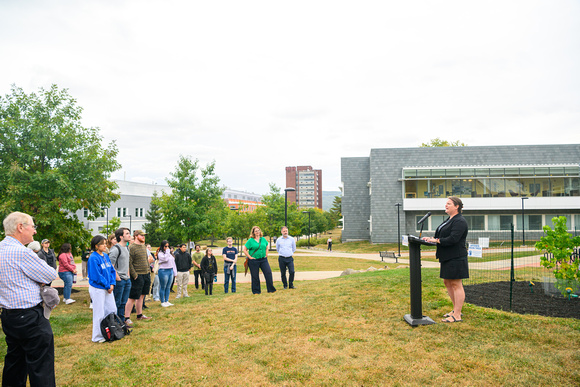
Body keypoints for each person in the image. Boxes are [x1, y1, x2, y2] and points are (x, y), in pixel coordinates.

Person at [0, 212, 58, 386]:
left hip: (9, 317)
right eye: (33, 226)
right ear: (20, 227)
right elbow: (50, 274)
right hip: (30, 318)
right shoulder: (22, 253)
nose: (34, 231)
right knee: (41, 367)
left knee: (15, 362)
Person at [423, 196, 469, 323]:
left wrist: (437, 240)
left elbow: (453, 239)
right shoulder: (449, 220)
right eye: (446, 203)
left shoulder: (460, 221)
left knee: (456, 284)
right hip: (446, 256)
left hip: (456, 256)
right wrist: (431, 238)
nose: (446, 205)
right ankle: (455, 310)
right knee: (447, 283)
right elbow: (442, 235)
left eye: (449, 203)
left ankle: (457, 314)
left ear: (457, 206)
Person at [87, 235, 117, 343]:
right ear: (96, 246)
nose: (105, 245)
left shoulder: (105, 255)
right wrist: (107, 285)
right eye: (103, 244)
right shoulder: (93, 258)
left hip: (108, 287)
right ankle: (97, 336)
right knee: (99, 312)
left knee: (112, 309)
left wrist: (112, 283)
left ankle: (110, 331)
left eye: (105, 243)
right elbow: (96, 275)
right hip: (98, 288)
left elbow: (112, 271)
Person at [125, 230, 153, 326]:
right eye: (142, 235)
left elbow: (146, 259)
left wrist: (148, 270)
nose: (144, 237)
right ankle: (127, 317)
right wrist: (134, 275)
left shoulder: (143, 247)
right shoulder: (131, 248)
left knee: (142, 296)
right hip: (137, 275)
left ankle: (139, 314)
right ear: (136, 236)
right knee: (132, 297)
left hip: (146, 274)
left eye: (144, 235)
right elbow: (129, 262)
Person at [243, 226, 276, 294]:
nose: (257, 232)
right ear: (253, 232)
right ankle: (256, 291)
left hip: (263, 260)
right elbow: (244, 250)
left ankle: (271, 289)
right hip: (254, 261)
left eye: (258, 230)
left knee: (268, 273)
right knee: (255, 276)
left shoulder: (263, 239)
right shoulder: (250, 240)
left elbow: (267, 247)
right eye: (256, 231)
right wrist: (249, 257)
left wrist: (266, 255)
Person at [109, 227, 132, 320]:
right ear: (121, 236)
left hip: (126, 279)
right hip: (119, 280)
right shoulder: (115, 249)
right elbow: (110, 266)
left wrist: (128, 276)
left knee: (124, 302)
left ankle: (121, 322)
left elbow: (127, 264)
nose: (129, 235)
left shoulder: (126, 248)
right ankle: (115, 323)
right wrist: (118, 278)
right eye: (127, 233)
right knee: (117, 302)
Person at [158, 240, 177, 307]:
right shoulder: (160, 253)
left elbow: (173, 262)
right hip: (163, 271)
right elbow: (165, 259)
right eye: (165, 246)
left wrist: (175, 272)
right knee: (163, 286)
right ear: (162, 246)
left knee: (168, 287)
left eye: (168, 246)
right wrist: (167, 252)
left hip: (170, 270)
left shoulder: (170, 254)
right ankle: (162, 301)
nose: (167, 248)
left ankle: (167, 300)